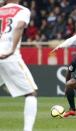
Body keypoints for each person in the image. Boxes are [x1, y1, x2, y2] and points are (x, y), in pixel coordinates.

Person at [0, 0, 37, 130]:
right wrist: (11, 49)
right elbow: (19, 26)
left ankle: (8, 85)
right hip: (9, 56)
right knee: (31, 93)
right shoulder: (22, 10)